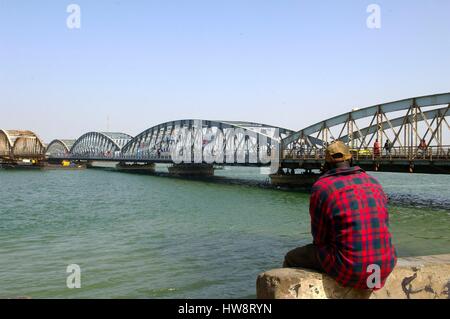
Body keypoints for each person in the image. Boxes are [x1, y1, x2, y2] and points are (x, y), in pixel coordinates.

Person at [283, 141, 397, 290]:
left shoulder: (322, 187)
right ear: (351, 160)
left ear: (327, 164)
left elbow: (319, 239)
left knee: (291, 258)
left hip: (351, 270)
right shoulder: (373, 182)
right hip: (384, 267)